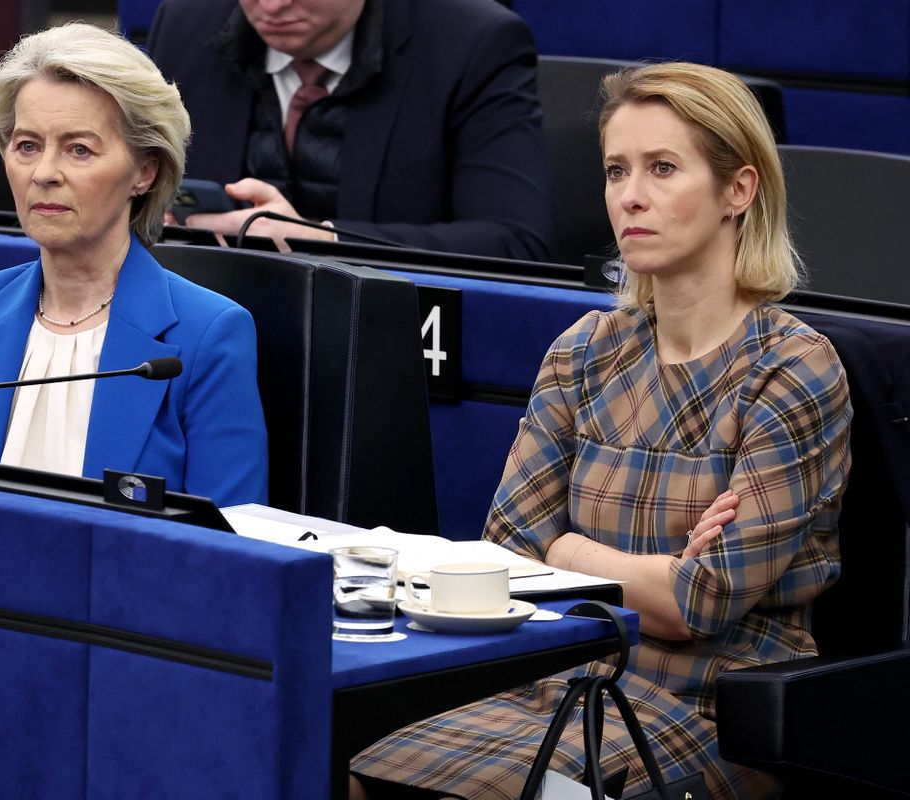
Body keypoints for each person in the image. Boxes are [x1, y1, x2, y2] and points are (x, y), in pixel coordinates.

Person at [350, 62, 852, 799]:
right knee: (356, 766)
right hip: (557, 680)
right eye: (617, 171)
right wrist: (623, 562)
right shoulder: (586, 350)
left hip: (715, 709)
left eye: (662, 168)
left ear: (737, 191)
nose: (630, 196)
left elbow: (698, 604)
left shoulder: (792, 367)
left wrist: (568, 549)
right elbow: (510, 554)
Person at [0, 23, 268, 508]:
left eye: (79, 149)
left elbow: (233, 543)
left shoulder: (208, 334)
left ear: (145, 171)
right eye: (27, 145)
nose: (44, 173)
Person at [145, 0, 553, 259]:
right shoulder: (186, 22)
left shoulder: (474, 42)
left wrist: (321, 239)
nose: (271, 5)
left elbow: (515, 242)